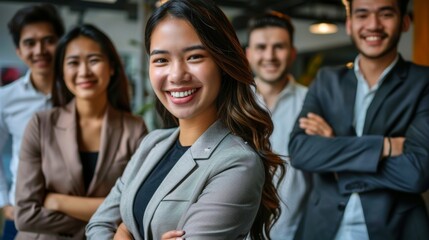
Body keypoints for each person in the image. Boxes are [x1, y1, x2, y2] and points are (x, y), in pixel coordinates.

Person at [86, 0, 284, 239]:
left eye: (194, 57)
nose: (177, 74)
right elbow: (97, 225)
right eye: (161, 60)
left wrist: (124, 230)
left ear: (223, 63)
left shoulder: (237, 163)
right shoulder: (152, 143)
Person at [289, 0, 429, 239]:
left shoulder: (423, 82)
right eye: (363, 14)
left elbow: (418, 173)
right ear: (350, 23)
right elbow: (301, 152)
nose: (373, 25)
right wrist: (384, 146)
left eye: (385, 14)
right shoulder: (326, 80)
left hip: (396, 229)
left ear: (405, 22)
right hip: (321, 227)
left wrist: (334, 150)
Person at [14, 24, 148, 240]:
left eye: (94, 60)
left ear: (112, 67)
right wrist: (101, 222)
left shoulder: (134, 128)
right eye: (73, 63)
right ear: (62, 71)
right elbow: (25, 215)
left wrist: (58, 201)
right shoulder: (41, 124)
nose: (84, 71)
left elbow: (136, 208)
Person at [0, 4, 64, 239]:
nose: (39, 50)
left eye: (48, 40)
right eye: (29, 43)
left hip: (71, 211)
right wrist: (4, 202)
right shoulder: (5, 98)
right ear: (18, 50)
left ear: (61, 42)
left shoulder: (79, 94)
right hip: (21, 211)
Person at [245, 11, 310, 240]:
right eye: (261, 47)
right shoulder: (232, 106)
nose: (270, 56)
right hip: (238, 233)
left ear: (292, 53)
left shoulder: (313, 103)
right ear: (249, 54)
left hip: (297, 233)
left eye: (279, 47)